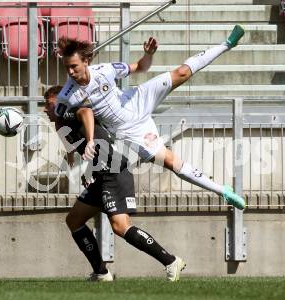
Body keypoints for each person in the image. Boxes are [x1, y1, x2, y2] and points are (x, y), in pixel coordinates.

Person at [54, 25, 246, 210]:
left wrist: (148, 55)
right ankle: (223, 191)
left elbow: (140, 67)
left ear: (86, 61)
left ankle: (227, 44)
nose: (70, 72)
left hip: (137, 99)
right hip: (129, 130)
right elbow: (63, 120)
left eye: (74, 66)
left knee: (181, 73)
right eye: (67, 68)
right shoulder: (67, 95)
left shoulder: (105, 70)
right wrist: (75, 147)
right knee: (171, 162)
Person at [44, 85, 186, 282]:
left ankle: (170, 261)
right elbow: (80, 144)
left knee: (120, 227)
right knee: (74, 220)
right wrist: (79, 161)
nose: (45, 109)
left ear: (59, 102)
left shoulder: (67, 113)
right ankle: (101, 273)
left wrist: (91, 140)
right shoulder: (61, 124)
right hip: (101, 175)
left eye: (49, 104)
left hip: (114, 172)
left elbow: (86, 112)